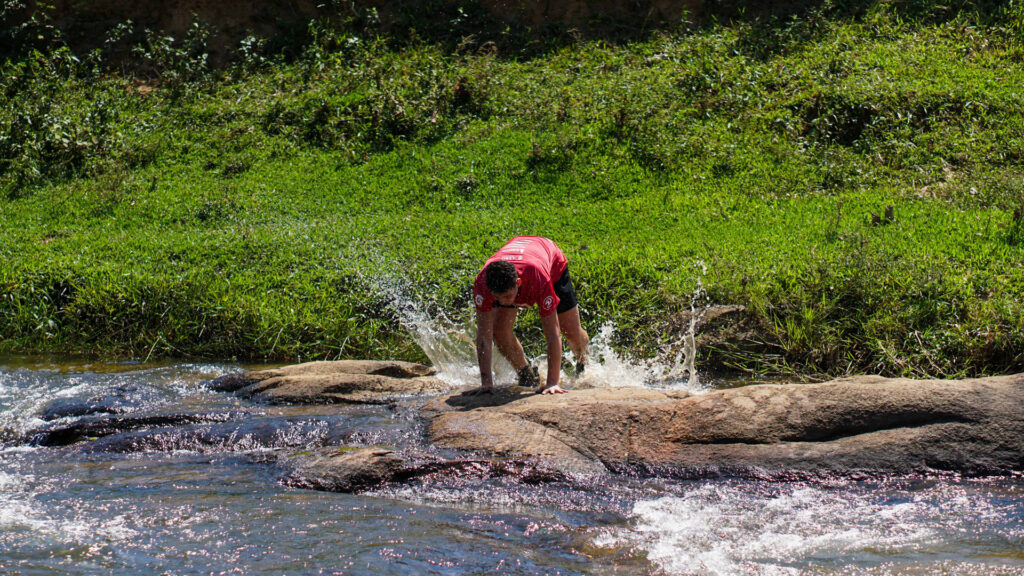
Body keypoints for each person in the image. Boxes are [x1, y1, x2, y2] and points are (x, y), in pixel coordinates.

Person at [466, 236, 590, 395]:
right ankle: (527, 374)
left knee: (569, 330)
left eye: (507, 297)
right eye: (498, 298)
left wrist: (552, 383)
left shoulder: (538, 278)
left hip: (550, 262)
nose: (503, 303)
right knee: (499, 332)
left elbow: (553, 334)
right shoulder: (483, 282)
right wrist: (486, 384)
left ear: (518, 283)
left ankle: (583, 364)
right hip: (520, 259)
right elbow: (484, 335)